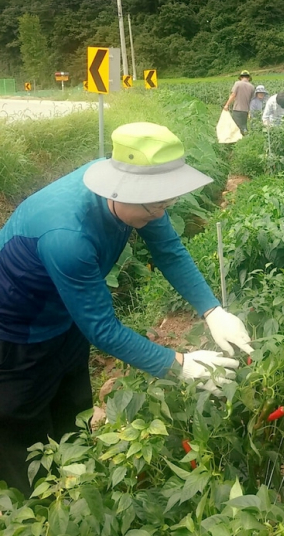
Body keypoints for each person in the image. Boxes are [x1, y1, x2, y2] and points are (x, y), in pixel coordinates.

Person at [0, 122, 253, 494]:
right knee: (25, 430)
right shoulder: (68, 236)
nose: (161, 214)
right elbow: (103, 329)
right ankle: (34, 508)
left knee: (73, 407)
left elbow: (169, 250)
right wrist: (179, 364)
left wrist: (212, 310)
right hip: (19, 332)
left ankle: (77, 487)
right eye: (156, 206)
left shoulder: (134, 196)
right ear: (123, 191)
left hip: (67, 317)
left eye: (168, 203)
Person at [223, 70, 255, 134]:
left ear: (241, 77)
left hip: (237, 109)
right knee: (243, 125)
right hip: (246, 110)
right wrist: (250, 111)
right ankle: (245, 136)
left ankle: (238, 138)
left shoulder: (237, 83)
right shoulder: (252, 87)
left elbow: (233, 95)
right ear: (248, 78)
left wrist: (227, 105)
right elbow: (252, 100)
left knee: (236, 126)